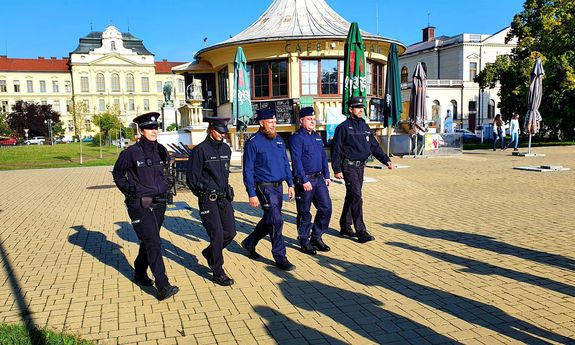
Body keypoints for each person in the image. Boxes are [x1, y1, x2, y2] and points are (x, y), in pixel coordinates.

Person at [112, 112, 179, 301]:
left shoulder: (161, 150)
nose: (154, 130)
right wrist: (129, 190)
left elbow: (164, 171)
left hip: (158, 203)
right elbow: (118, 174)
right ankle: (163, 286)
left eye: (156, 127)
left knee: (150, 240)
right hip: (139, 203)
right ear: (141, 131)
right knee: (153, 242)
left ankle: (140, 272)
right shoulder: (130, 153)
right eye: (149, 128)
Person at [331, 96, 393, 243]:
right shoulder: (343, 127)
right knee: (357, 197)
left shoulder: (365, 127)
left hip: (360, 167)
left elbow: (374, 146)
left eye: (361, 108)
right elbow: (336, 149)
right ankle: (361, 231)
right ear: (350, 110)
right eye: (357, 108)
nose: (360, 110)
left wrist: (386, 160)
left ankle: (345, 225)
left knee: (352, 196)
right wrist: (336, 169)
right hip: (348, 167)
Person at [242, 108, 296, 271]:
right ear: (261, 123)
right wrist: (251, 193)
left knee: (270, 219)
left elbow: (285, 163)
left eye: (274, 122)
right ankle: (280, 257)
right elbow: (248, 170)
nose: (274, 125)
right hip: (264, 188)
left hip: (278, 187)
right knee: (277, 221)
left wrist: (290, 183)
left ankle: (249, 242)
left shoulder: (279, 140)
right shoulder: (253, 142)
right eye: (270, 122)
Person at [186, 117, 236, 286]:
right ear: (211, 130)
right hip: (208, 199)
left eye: (224, 132)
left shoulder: (226, 149)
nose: (223, 134)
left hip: (224, 198)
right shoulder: (200, 150)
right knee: (217, 234)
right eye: (220, 131)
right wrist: (203, 193)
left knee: (230, 233)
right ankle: (217, 272)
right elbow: (191, 179)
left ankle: (209, 253)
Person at [288, 107, 332, 255]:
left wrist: (327, 175)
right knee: (304, 212)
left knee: (326, 207)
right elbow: (296, 160)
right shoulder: (296, 138)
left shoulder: (317, 137)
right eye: (309, 119)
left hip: (319, 179)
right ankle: (304, 240)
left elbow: (323, 158)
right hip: (305, 180)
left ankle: (317, 236)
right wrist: (303, 179)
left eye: (313, 119)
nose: (312, 121)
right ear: (301, 121)